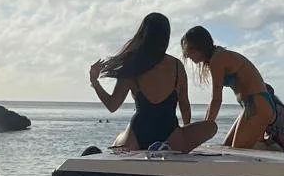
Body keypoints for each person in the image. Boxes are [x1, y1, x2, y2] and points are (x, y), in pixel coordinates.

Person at [89, 12, 216, 151]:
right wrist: (183, 134)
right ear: (166, 37)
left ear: (143, 34)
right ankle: (164, 147)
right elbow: (184, 104)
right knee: (211, 127)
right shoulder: (176, 65)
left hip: (138, 134)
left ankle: (139, 145)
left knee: (119, 139)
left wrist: (95, 82)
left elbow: (112, 106)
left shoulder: (132, 63)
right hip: (170, 133)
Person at [181, 25, 276, 149]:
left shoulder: (218, 59)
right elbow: (212, 103)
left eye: (189, 50)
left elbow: (216, 100)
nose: (187, 55)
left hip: (257, 104)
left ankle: (269, 146)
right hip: (252, 105)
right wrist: (204, 127)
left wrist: (203, 131)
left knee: (237, 152)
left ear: (200, 47)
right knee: (226, 147)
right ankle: (265, 144)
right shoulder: (216, 57)